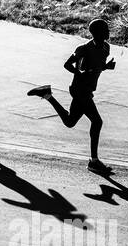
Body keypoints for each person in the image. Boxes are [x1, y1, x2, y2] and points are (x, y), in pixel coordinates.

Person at [27, 18, 116, 173]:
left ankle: (47, 95)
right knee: (97, 122)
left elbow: (97, 66)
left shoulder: (106, 48)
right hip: (79, 89)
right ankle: (94, 161)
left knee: (69, 122)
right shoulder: (84, 48)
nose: (108, 32)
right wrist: (78, 72)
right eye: (106, 30)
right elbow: (67, 64)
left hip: (87, 90)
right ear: (97, 33)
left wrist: (106, 67)